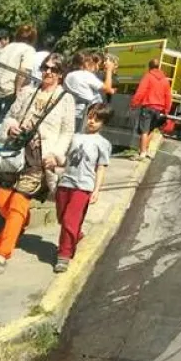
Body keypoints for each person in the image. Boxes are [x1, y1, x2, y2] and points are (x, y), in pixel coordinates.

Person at [0, 53, 75, 276]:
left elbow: (67, 131)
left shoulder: (65, 99)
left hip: (39, 159)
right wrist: (11, 127)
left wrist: (56, 154)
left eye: (54, 69)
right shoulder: (28, 92)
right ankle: (19, 223)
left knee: (18, 203)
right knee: (2, 202)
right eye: (45, 67)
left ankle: (2, 253)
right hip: (15, 154)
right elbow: (9, 116)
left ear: (61, 74)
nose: (48, 72)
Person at [54, 102, 112, 274]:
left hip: (83, 187)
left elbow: (101, 167)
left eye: (98, 119)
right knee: (62, 217)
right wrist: (55, 162)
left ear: (104, 123)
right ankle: (75, 236)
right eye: (91, 116)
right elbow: (67, 160)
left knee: (69, 220)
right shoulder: (75, 137)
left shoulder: (103, 143)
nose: (92, 121)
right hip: (65, 183)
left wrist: (96, 190)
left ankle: (63, 255)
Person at [0, 24, 39, 125]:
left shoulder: (8, 46)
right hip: (6, 88)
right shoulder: (29, 50)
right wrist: (18, 91)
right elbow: (23, 71)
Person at [129, 58, 171, 160]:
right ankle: (145, 150)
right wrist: (166, 110)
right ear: (158, 67)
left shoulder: (148, 77)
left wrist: (134, 103)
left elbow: (141, 91)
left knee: (144, 130)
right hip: (159, 109)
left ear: (150, 66)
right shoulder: (165, 80)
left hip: (148, 107)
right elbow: (168, 96)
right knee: (151, 130)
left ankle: (142, 153)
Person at [64, 50, 115, 132]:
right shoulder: (86, 75)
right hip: (85, 115)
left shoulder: (69, 75)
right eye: (95, 64)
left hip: (73, 112)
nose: (97, 68)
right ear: (87, 63)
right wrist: (109, 70)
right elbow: (107, 88)